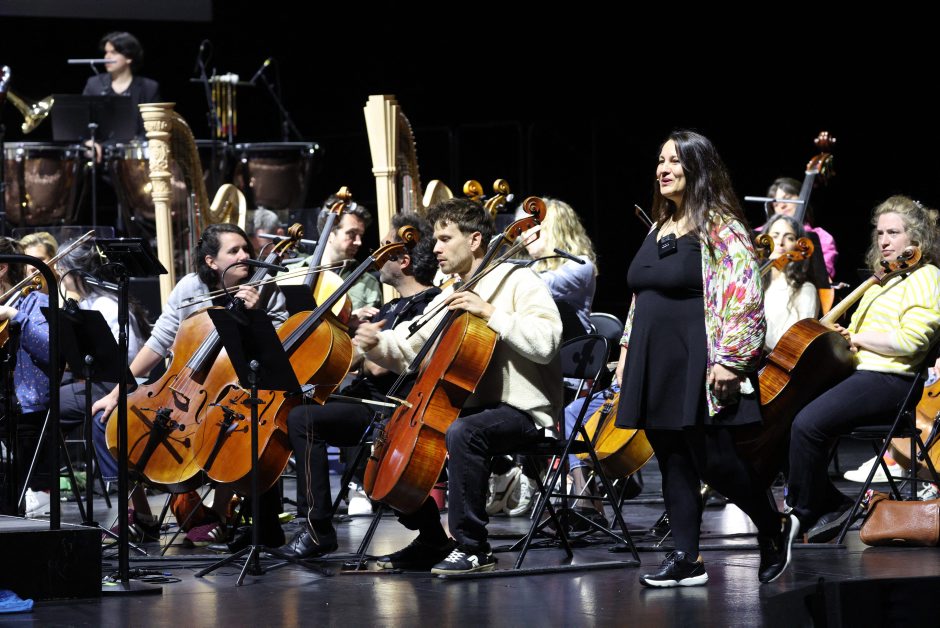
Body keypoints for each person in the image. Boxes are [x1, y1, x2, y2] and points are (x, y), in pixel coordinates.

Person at [616, 131, 795, 587]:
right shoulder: (659, 227)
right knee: (671, 458)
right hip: (654, 359)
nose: (663, 169)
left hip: (700, 356)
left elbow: (745, 295)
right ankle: (686, 557)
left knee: (714, 462)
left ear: (697, 168)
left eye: (675, 160)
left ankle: (773, 527)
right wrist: (626, 350)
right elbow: (641, 297)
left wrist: (732, 360)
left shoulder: (721, 226)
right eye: (660, 160)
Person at [354, 198, 563, 574]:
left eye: (445, 239)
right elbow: (409, 347)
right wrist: (376, 343)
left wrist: (490, 312)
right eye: (435, 239)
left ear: (475, 240)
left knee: (465, 432)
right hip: (471, 407)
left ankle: (473, 547)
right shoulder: (450, 293)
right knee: (392, 441)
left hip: (523, 409)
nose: (435, 248)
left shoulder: (518, 280)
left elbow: (547, 341)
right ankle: (432, 538)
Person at [92, 223, 289, 546]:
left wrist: (256, 315)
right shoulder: (190, 287)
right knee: (111, 421)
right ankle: (141, 515)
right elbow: (159, 341)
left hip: (231, 391)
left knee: (231, 427)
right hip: (180, 384)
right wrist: (117, 392)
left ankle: (219, 513)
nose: (244, 255)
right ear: (212, 261)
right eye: (234, 251)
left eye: (246, 249)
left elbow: (279, 347)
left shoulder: (267, 288)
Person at [276, 212, 441, 559]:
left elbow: (379, 367)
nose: (377, 255)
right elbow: (355, 359)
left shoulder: (428, 305)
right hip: (365, 399)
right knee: (290, 406)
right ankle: (433, 537)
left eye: (385, 248)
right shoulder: (390, 307)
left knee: (302, 420)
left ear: (404, 260)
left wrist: (363, 351)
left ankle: (317, 529)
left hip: (390, 408)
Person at [786, 196, 940, 544]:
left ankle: (806, 511)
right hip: (862, 374)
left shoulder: (927, 277)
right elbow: (857, 337)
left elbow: (910, 342)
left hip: (892, 381)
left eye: (893, 233)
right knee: (785, 413)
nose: (884, 240)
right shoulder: (884, 280)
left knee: (807, 425)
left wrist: (855, 337)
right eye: (879, 233)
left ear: (916, 237)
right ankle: (829, 504)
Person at [0, 238, 52, 517]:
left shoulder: (36, 302)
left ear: (2, 268)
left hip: (24, 406)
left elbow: (51, 350)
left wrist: (15, 316)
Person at [523, 197, 598, 337]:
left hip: (572, 345)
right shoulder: (536, 265)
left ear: (555, 230)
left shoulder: (581, 265)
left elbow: (541, 285)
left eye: (531, 227)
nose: (524, 234)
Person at [303, 196, 382, 313]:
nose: (359, 242)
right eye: (352, 234)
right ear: (329, 233)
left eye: (360, 235)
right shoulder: (293, 272)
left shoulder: (368, 282)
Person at [82, 31, 161, 138]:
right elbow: (83, 121)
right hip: (101, 146)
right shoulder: (94, 84)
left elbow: (154, 126)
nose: (107, 57)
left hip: (136, 146)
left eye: (113, 52)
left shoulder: (149, 87)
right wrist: (88, 141)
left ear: (129, 57)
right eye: (106, 52)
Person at [761, 214, 819, 350]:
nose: (780, 242)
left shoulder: (805, 289)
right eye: (775, 236)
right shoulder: (757, 282)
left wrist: (754, 319)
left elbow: (793, 344)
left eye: (789, 238)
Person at [767, 177, 838, 282]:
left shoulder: (822, 237)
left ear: (802, 197)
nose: (782, 205)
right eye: (776, 204)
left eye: (787, 198)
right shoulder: (762, 233)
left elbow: (822, 277)